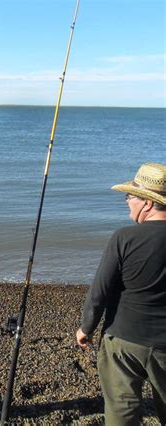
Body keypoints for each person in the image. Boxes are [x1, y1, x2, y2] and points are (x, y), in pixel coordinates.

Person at [76, 163, 166, 425]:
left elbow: (99, 292)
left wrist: (86, 328)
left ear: (148, 203)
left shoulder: (124, 238)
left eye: (131, 196)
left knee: (121, 412)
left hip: (123, 340)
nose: (127, 201)